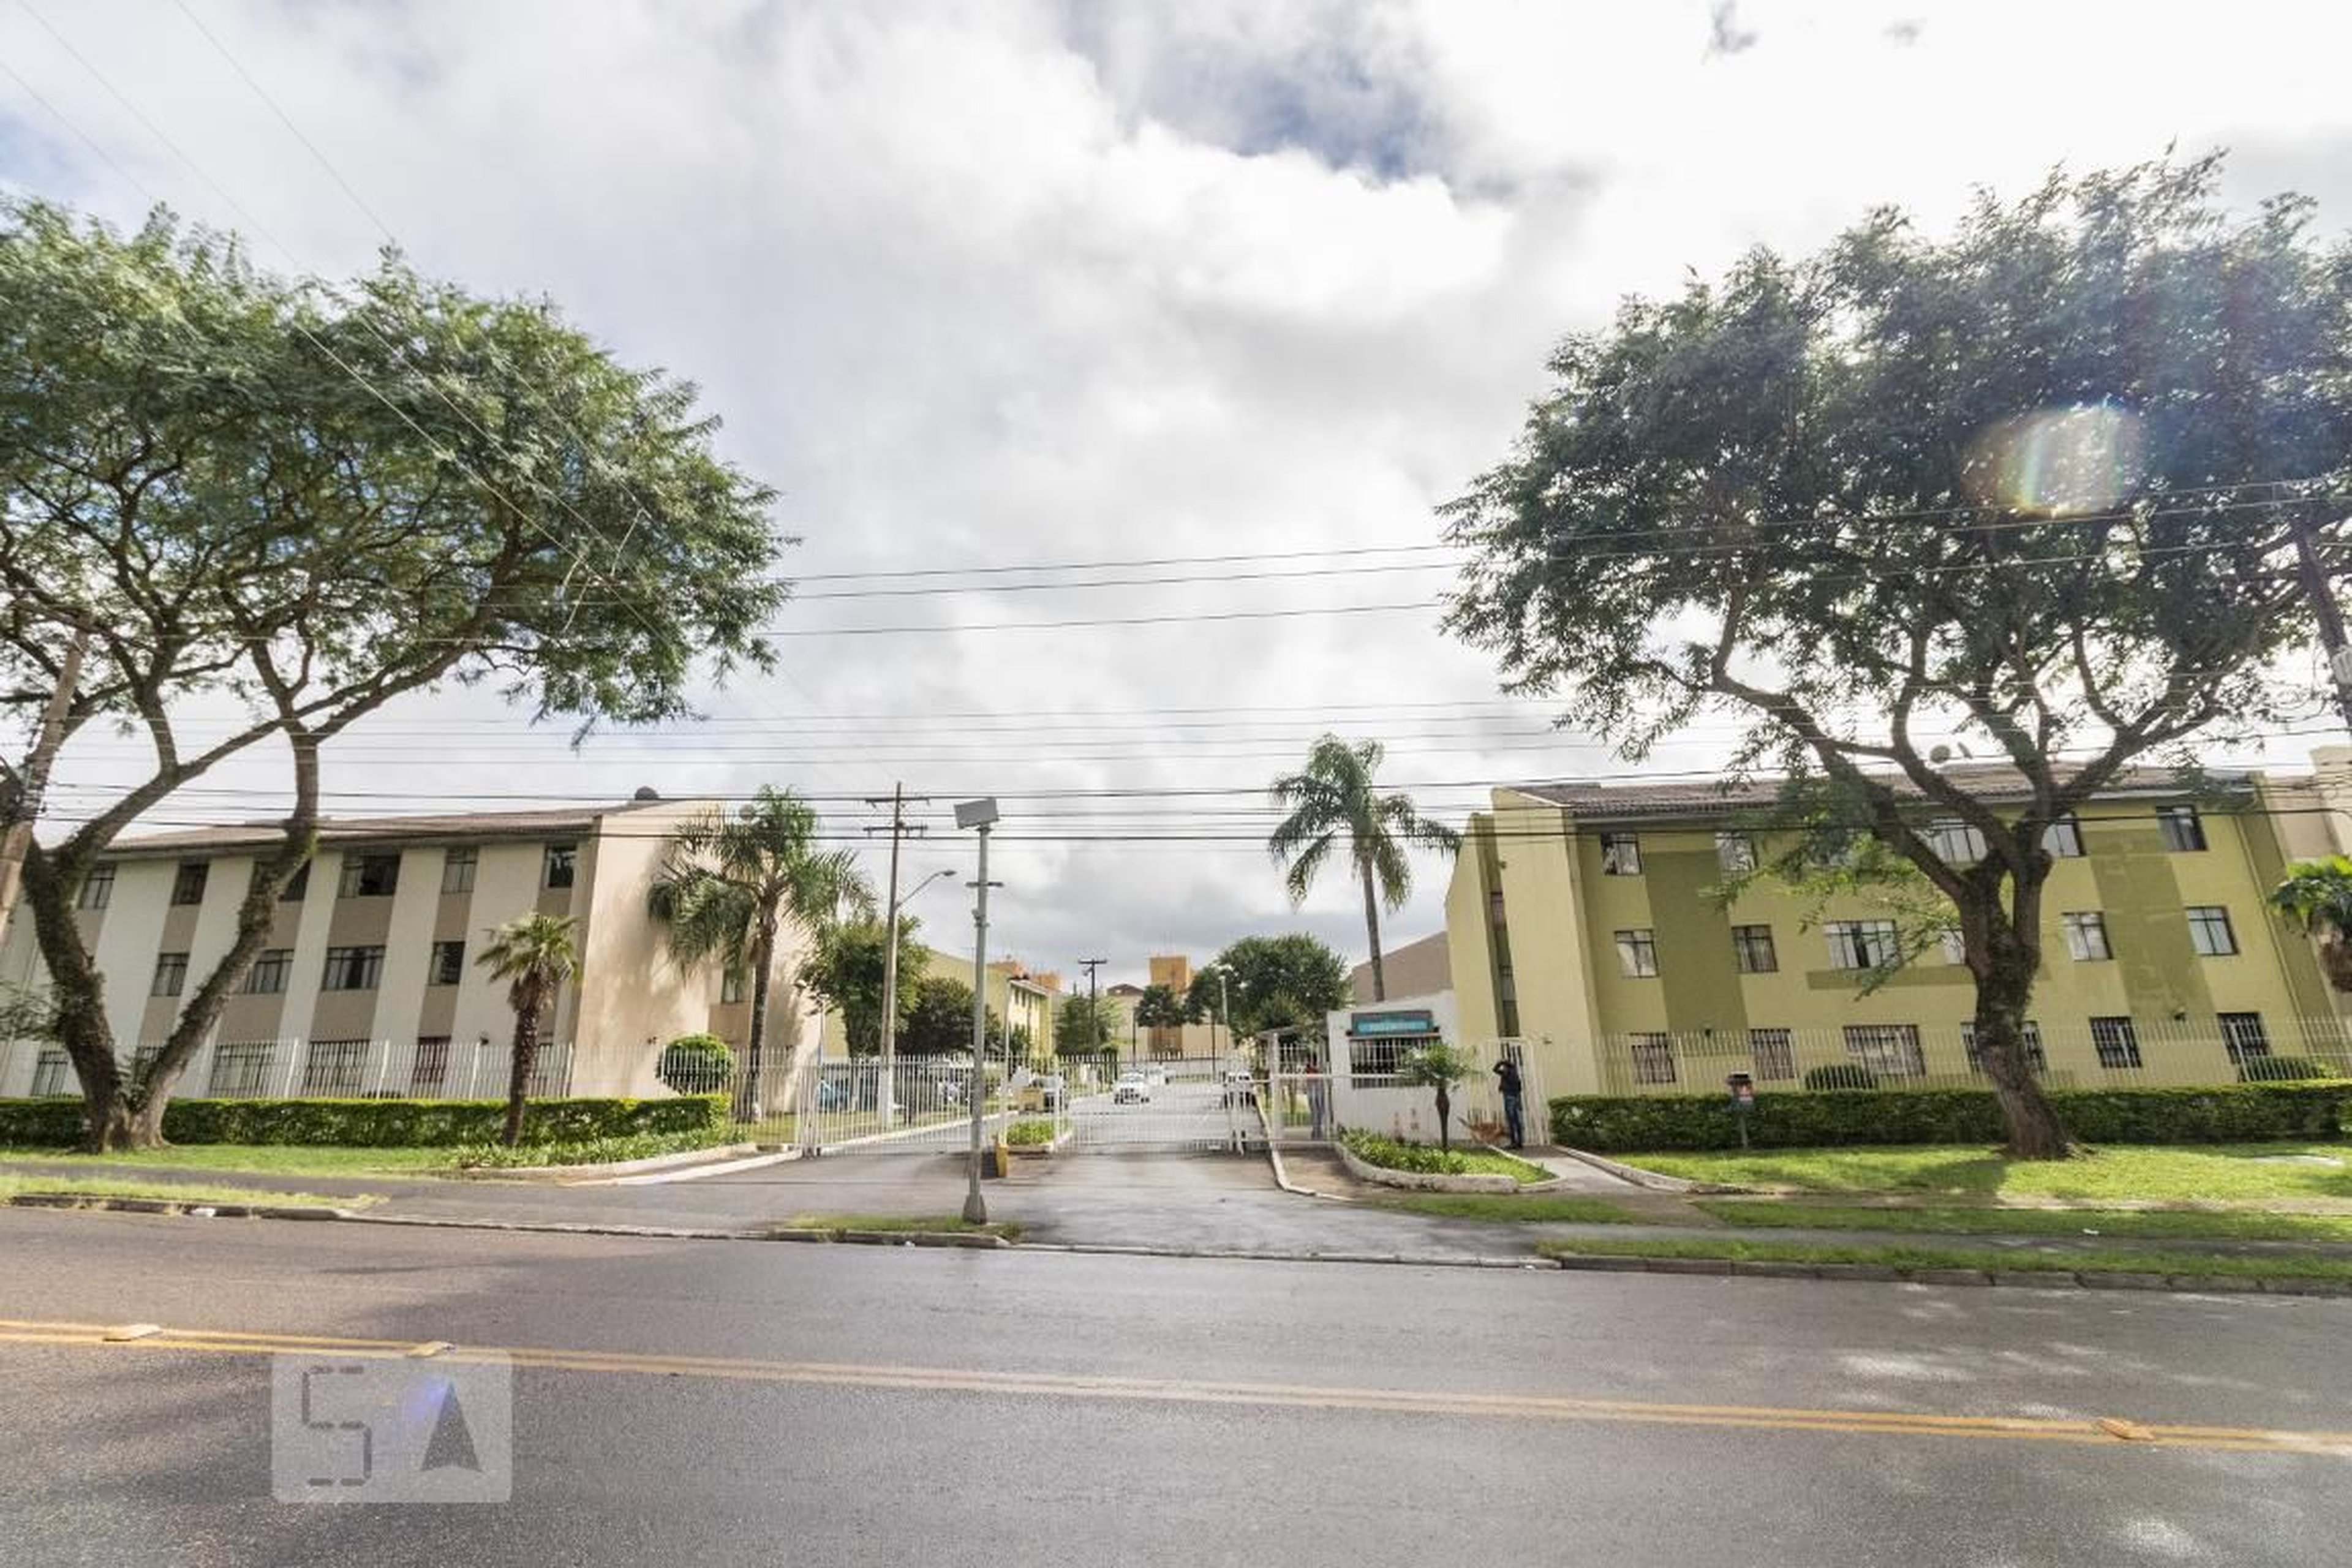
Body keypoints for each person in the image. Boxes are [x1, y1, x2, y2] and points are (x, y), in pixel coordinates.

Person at [1492, 1056, 1526, 1150]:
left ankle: (1514, 1142)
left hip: (1509, 1097)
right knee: (1517, 1121)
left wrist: (1500, 1063)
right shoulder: (1515, 1073)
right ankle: (1519, 1142)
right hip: (1515, 1097)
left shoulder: (1507, 1073)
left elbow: (1494, 1070)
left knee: (1511, 1120)